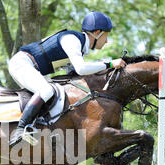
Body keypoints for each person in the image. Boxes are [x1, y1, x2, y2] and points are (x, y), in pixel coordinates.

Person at [8, 10, 126, 147]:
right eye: (106, 36)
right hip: (22, 63)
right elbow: (81, 68)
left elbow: (75, 72)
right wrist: (110, 63)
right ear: (97, 32)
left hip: (31, 67)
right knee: (46, 90)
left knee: (57, 93)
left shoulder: (79, 47)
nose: (106, 41)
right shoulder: (72, 40)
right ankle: (20, 129)